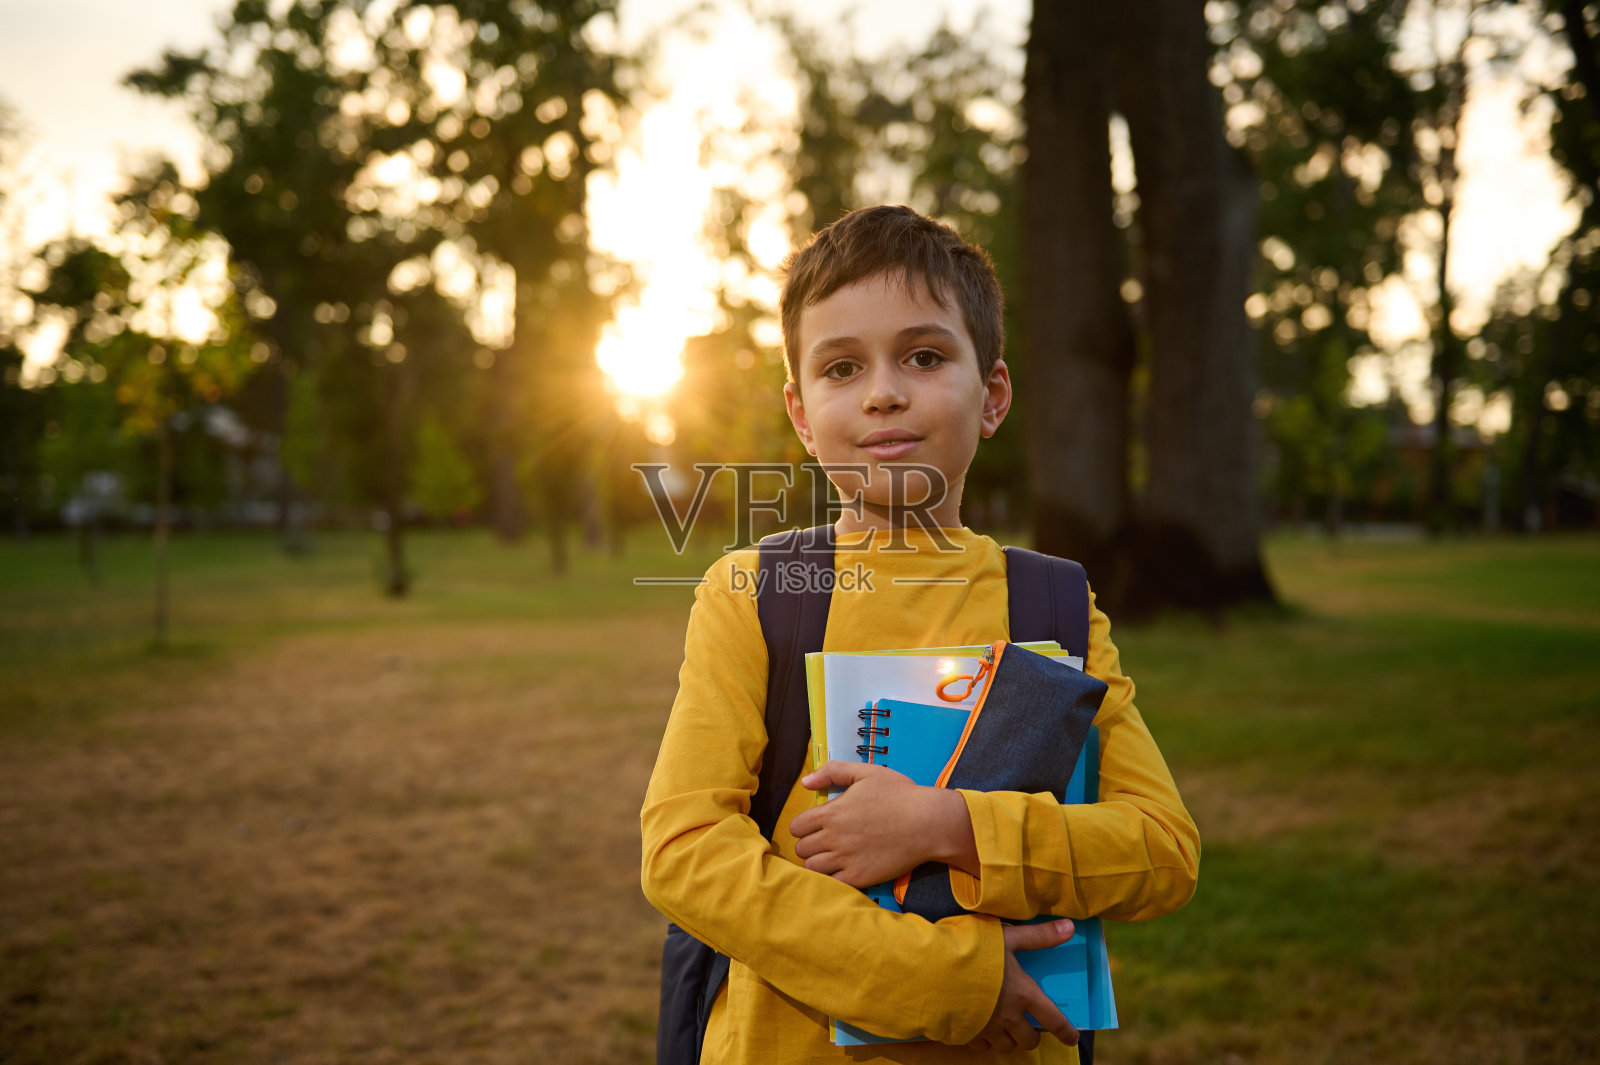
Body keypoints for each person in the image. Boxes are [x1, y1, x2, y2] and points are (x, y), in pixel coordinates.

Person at [640, 204, 1200, 1064]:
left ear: (993, 395)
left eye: (925, 357)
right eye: (841, 367)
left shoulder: (1052, 603)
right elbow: (685, 851)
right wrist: (948, 978)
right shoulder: (755, 594)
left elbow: (1162, 850)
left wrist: (948, 825)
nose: (883, 393)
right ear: (801, 413)